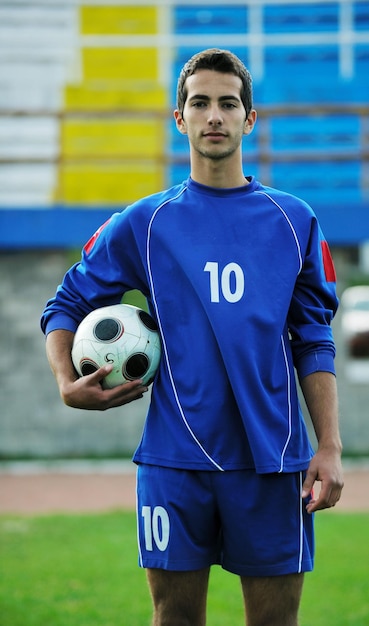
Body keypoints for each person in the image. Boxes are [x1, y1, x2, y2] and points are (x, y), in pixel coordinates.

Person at [41, 48, 344, 626]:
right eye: (199, 103)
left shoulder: (294, 220)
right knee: (173, 619)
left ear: (249, 119)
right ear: (178, 118)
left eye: (228, 104)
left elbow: (313, 337)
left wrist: (328, 445)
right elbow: (67, 303)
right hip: (174, 462)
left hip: (274, 462)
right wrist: (65, 380)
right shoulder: (145, 221)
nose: (214, 116)